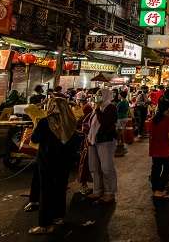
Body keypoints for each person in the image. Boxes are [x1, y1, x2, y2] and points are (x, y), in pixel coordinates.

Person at [28, 97, 77, 235]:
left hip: (47, 161)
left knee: (46, 191)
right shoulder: (71, 121)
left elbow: (34, 139)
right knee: (60, 188)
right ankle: (59, 217)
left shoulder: (44, 122)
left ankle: (45, 224)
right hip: (65, 161)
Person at [87, 88, 118, 203]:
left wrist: (98, 109)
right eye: (97, 94)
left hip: (105, 141)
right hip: (93, 140)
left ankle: (109, 192)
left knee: (106, 167)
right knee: (94, 167)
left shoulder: (110, 107)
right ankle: (97, 190)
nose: (98, 96)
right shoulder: (98, 108)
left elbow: (105, 122)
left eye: (100, 94)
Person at [149, 98, 169, 199]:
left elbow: (151, 134)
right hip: (166, 150)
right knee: (168, 169)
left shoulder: (154, 119)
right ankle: (159, 190)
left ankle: (155, 189)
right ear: (167, 109)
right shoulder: (168, 120)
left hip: (155, 149)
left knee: (156, 169)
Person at [115, 90, 130, 156]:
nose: (118, 96)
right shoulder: (126, 102)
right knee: (122, 131)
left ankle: (119, 144)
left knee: (118, 132)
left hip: (120, 118)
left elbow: (116, 110)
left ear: (121, 95)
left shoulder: (120, 103)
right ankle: (122, 144)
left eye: (119, 95)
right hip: (125, 118)